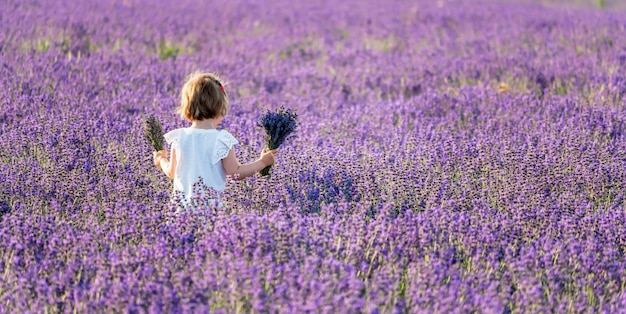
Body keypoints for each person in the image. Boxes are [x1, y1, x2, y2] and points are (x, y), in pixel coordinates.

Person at [152, 71, 277, 209]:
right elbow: (236, 173)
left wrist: (161, 160)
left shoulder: (179, 137)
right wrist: (262, 162)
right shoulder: (221, 139)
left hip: (182, 210)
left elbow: (172, 172)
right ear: (220, 108)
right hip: (211, 211)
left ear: (186, 107)